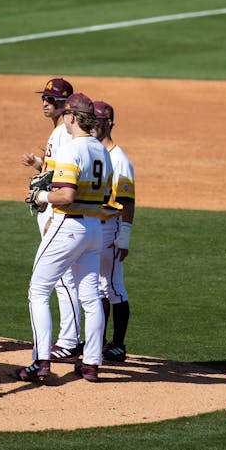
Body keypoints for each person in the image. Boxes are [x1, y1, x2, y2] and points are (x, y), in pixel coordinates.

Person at [18, 93, 113, 383]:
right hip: (94, 229)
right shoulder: (102, 151)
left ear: (71, 116)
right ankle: (92, 363)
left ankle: (41, 360)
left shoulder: (73, 149)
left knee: (38, 290)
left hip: (67, 225)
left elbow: (66, 194)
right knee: (91, 297)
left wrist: (42, 195)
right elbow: (106, 196)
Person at [21, 77, 83, 365]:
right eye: (44, 99)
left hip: (55, 210)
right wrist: (38, 164)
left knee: (63, 277)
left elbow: (64, 178)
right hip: (53, 208)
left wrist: (54, 215)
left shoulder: (63, 134)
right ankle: (69, 339)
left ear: (66, 104)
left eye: (53, 100)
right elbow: (55, 170)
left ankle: (69, 341)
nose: (46, 104)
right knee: (61, 276)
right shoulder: (59, 132)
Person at [90, 101, 135, 363]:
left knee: (113, 287)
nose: (95, 124)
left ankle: (118, 344)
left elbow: (127, 202)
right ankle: (99, 341)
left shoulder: (119, 159)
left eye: (100, 120)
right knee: (97, 287)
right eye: (92, 119)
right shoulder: (94, 153)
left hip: (111, 227)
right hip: (95, 228)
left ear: (110, 123)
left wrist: (125, 236)